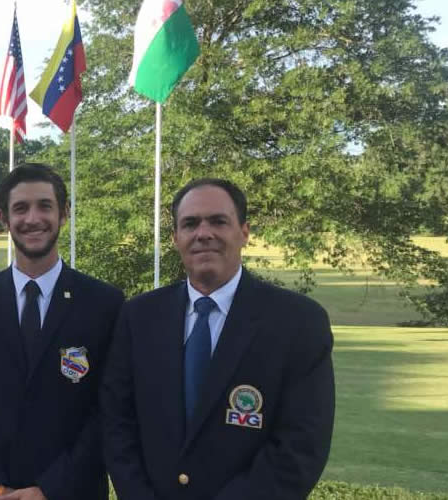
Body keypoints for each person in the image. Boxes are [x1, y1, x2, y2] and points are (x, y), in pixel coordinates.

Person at [101, 178, 335, 500]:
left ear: (245, 232)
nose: (203, 233)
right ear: (175, 238)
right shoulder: (138, 318)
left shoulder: (298, 323)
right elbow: (117, 425)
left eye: (218, 221)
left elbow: (300, 445)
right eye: (190, 224)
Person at [0, 163, 124, 500]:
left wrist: (50, 489)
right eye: (21, 208)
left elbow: (109, 409)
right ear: (4, 219)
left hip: (73, 492)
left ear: (64, 214)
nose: (33, 218)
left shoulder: (104, 302)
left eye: (45, 206)